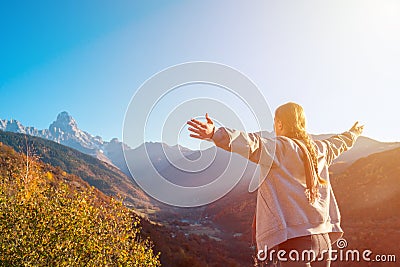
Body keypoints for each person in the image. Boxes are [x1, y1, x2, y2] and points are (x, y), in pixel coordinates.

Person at [187, 102, 364, 267]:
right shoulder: (320, 149)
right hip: (324, 240)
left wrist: (215, 134)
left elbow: (251, 144)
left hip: (295, 243)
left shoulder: (279, 148)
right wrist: (353, 134)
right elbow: (340, 143)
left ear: (279, 124)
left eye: (274, 122)